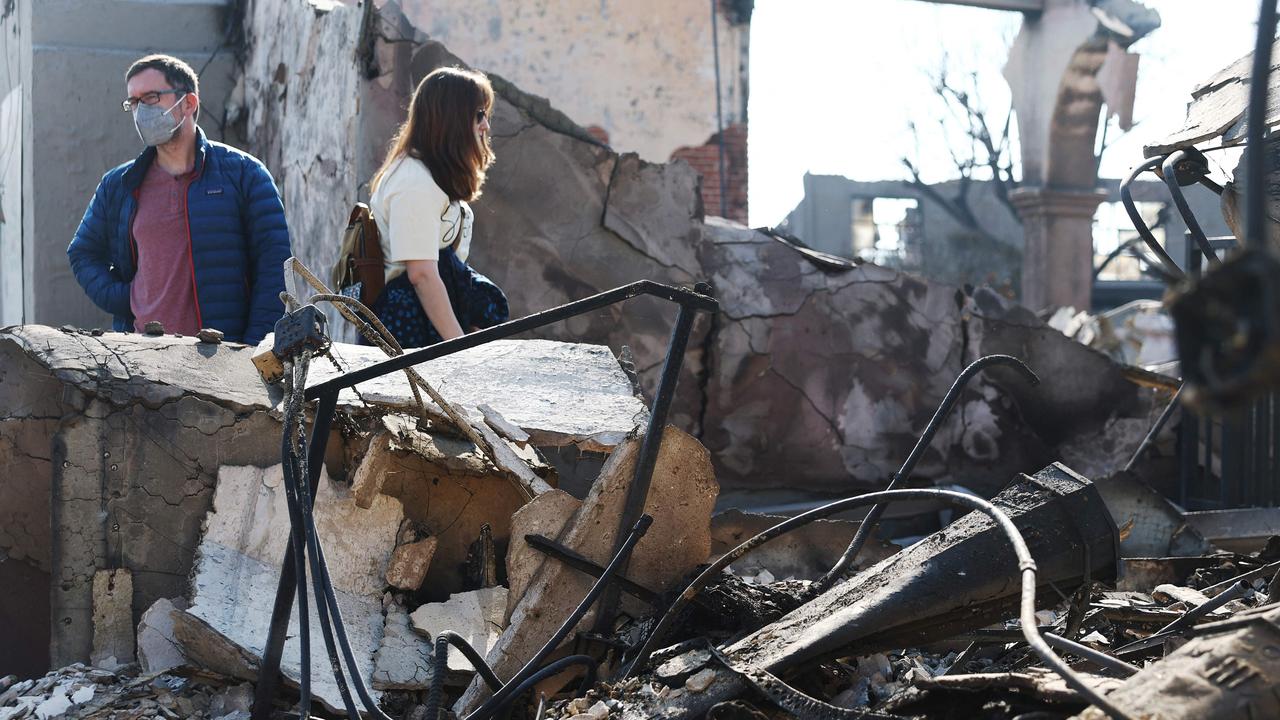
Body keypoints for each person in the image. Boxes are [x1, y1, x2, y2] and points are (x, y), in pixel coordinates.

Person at [67, 54, 291, 345]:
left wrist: (252, 348)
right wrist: (129, 298)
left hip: (222, 360)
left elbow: (274, 268)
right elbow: (82, 254)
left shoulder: (245, 174)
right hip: (143, 361)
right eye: (133, 102)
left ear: (188, 103)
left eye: (150, 97)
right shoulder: (119, 185)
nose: (140, 111)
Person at [366, 66, 509, 347]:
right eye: (479, 114)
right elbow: (422, 274)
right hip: (410, 330)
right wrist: (459, 347)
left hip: (423, 324)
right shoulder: (415, 181)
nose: (486, 126)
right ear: (452, 117)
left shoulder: (427, 174)